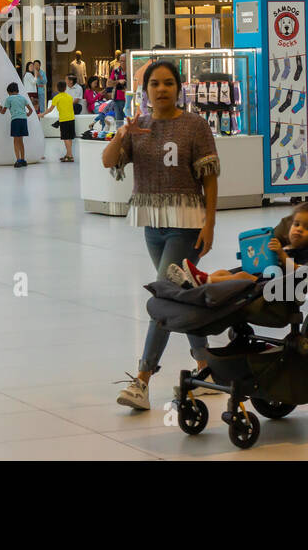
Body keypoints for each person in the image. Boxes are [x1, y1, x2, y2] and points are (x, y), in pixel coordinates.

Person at [105, 59, 219, 411]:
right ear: (146, 90)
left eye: (169, 83)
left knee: (165, 298)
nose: (162, 89)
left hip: (185, 223)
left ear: (179, 87)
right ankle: (206, 369)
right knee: (182, 297)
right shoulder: (137, 126)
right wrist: (121, 134)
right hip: (152, 223)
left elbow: (210, 176)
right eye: (155, 84)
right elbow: (109, 161)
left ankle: (142, 380)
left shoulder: (195, 125)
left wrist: (210, 223)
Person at [170, 203, 308, 287]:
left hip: (273, 286)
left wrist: (281, 255)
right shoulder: (284, 245)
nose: (299, 230)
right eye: (297, 224)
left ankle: (202, 281)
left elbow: (302, 272)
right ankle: (197, 281)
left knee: (242, 276)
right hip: (260, 275)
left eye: (307, 228)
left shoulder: (307, 251)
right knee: (224, 272)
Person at [0, 82, 33, 167]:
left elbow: (3, 112)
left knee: (15, 141)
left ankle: (18, 160)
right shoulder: (23, 98)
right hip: (23, 120)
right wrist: (26, 114)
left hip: (15, 120)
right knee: (21, 141)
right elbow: (31, 110)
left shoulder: (9, 99)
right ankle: (23, 160)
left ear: (9, 92)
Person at [42, 75, 78, 162]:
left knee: (66, 138)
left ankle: (70, 156)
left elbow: (50, 110)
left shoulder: (56, 98)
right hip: (71, 119)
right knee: (69, 138)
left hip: (64, 120)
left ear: (57, 88)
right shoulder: (69, 97)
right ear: (65, 88)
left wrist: (41, 114)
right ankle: (68, 154)